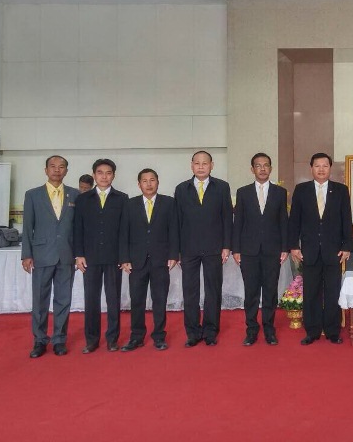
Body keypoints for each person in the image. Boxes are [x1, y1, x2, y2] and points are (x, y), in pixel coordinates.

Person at [288, 153, 353, 345]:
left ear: (330, 168)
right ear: (311, 168)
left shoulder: (340, 190)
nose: (321, 169)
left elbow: (346, 220)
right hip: (309, 251)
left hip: (334, 251)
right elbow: (294, 222)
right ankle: (313, 331)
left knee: (333, 292)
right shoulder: (301, 190)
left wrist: (347, 246)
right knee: (311, 292)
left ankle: (333, 331)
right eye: (317, 166)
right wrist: (293, 246)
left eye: (325, 165)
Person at [22, 155, 79, 358]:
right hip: (42, 254)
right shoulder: (33, 195)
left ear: (66, 171)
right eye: (53, 167)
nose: (57, 170)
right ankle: (39, 340)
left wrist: (79, 254)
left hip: (66, 254)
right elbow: (28, 226)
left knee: (63, 300)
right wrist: (26, 254)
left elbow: (78, 228)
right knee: (40, 300)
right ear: (45, 170)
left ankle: (59, 340)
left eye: (61, 167)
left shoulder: (75, 195)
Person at [174, 150, 233, 347]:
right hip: (188, 248)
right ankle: (192, 332)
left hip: (214, 247)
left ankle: (210, 331)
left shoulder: (222, 187)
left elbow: (227, 218)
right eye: (197, 163)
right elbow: (177, 222)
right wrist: (177, 251)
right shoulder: (182, 189)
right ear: (191, 166)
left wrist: (226, 246)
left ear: (212, 165)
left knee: (212, 291)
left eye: (205, 163)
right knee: (190, 291)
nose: (201, 166)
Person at [119, 168, 179, 352]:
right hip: (136, 261)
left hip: (161, 260)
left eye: (152, 180)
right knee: (137, 300)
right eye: (144, 181)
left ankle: (159, 336)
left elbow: (174, 231)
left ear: (158, 182)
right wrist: (124, 258)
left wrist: (173, 255)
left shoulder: (169, 203)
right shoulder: (129, 204)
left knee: (159, 300)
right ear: (139, 184)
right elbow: (123, 233)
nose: (149, 184)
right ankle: (136, 337)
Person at [232, 153, 288, 346]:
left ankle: (269, 329)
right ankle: (251, 330)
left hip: (273, 251)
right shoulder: (243, 192)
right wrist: (236, 249)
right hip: (248, 251)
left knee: (271, 291)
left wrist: (285, 248)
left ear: (270, 169)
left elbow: (283, 222)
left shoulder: (280, 192)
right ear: (252, 169)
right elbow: (238, 222)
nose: (262, 169)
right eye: (258, 165)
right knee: (251, 292)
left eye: (266, 165)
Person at [74, 158, 128, 353]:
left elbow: (124, 231)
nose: (104, 176)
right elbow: (77, 229)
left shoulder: (122, 198)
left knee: (113, 299)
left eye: (108, 173)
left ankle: (112, 339)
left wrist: (124, 257)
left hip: (114, 258)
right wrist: (79, 254)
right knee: (91, 299)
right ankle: (92, 340)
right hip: (90, 257)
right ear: (94, 174)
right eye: (100, 173)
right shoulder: (83, 199)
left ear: (113, 175)